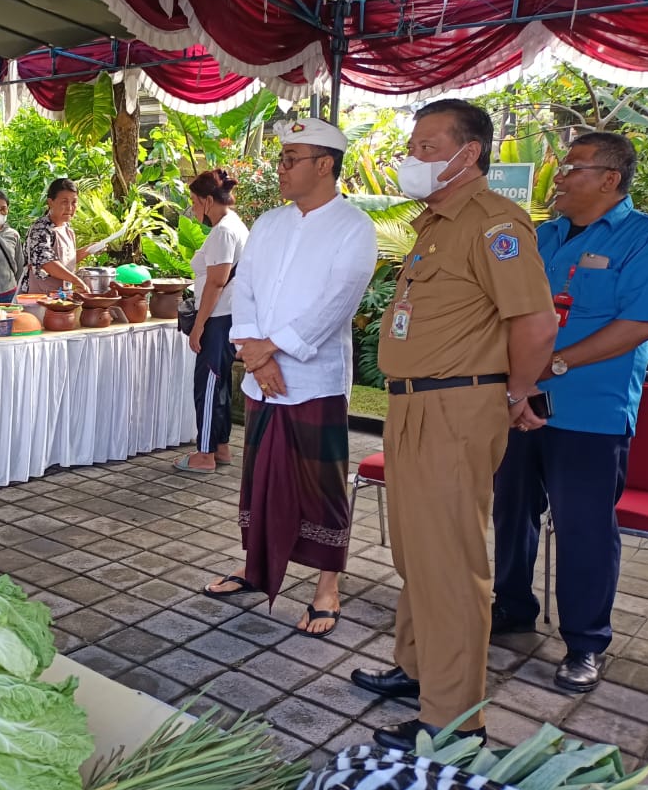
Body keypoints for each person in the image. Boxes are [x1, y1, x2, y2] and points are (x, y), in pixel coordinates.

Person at [349, 99, 557, 750]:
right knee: (417, 552)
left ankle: (455, 718)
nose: (412, 158)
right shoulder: (434, 225)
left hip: (455, 407)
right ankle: (419, 673)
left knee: (450, 561)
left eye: (426, 146)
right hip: (414, 405)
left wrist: (517, 392)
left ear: (468, 153)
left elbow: (536, 321)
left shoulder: (495, 223)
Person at [491, 132, 648, 693]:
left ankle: (585, 643)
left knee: (584, 530)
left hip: (590, 412)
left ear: (610, 179)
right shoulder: (542, 236)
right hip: (520, 402)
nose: (559, 178)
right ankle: (513, 607)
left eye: (572, 168)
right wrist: (519, 382)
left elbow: (642, 323)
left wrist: (554, 366)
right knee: (511, 513)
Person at [202, 122, 377, 642]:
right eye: (281, 159)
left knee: (320, 484)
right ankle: (256, 567)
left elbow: (338, 303)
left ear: (324, 165)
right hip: (263, 377)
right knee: (259, 478)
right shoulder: (270, 224)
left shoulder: (354, 226)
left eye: (290, 159)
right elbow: (247, 288)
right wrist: (256, 356)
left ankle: (327, 587)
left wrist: (273, 348)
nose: (280, 168)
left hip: (314, 379)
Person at [173, 169, 249, 474]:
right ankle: (220, 447)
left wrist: (200, 325)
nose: (192, 208)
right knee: (219, 384)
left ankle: (204, 453)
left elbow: (217, 282)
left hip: (218, 319)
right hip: (227, 317)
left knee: (207, 384)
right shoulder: (234, 226)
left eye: (193, 201)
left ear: (207, 200)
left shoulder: (223, 232)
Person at [23, 178, 104, 295]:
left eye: (74, 202)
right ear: (50, 202)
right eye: (64, 202)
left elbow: (67, 260)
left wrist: (90, 249)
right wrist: (76, 280)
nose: (70, 208)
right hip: (39, 298)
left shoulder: (67, 229)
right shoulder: (40, 229)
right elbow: (47, 263)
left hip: (62, 296)